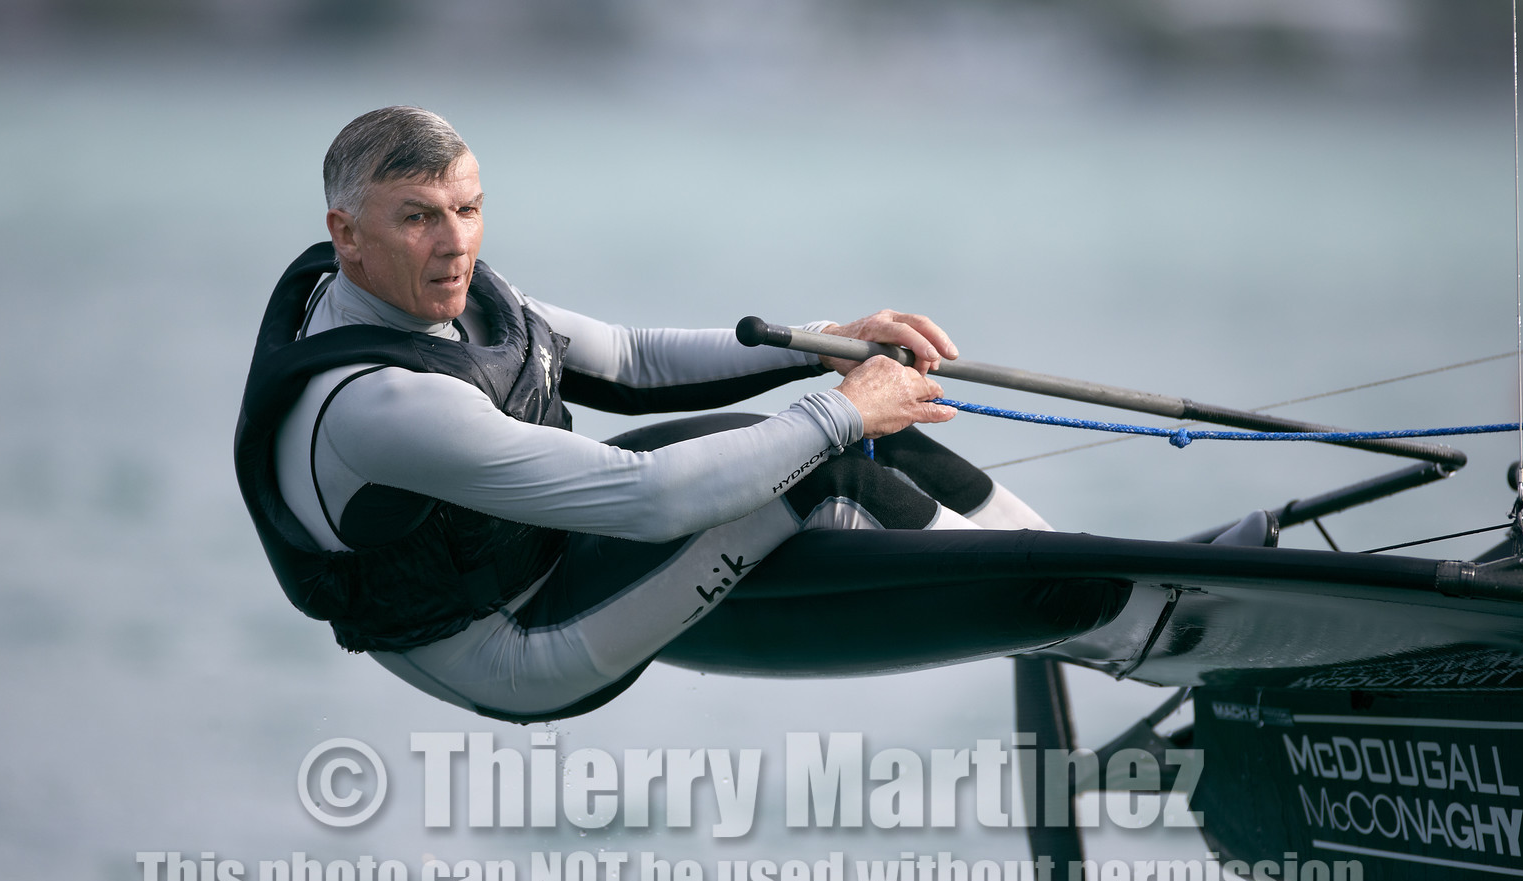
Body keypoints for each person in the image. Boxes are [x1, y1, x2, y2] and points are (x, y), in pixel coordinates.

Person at [234, 106, 1049, 722]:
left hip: (552, 561)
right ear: (346, 233)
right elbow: (652, 497)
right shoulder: (379, 402)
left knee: (869, 440)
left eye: (469, 209)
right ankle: (1082, 606)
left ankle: (1057, 557)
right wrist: (840, 409)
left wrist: (823, 344)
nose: (456, 244)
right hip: (506, 649)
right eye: (418, 217)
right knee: (832, 464)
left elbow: (630, 361)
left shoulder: (440, 295)